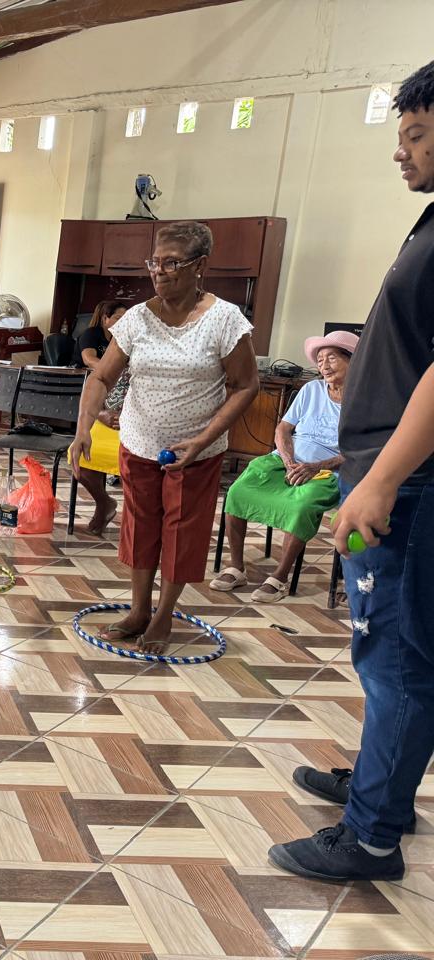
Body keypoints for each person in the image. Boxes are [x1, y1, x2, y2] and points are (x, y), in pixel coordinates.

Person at [269, 61, 434, 883]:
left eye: (417, 134)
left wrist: (380, 480)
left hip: (414, 485)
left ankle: (370, 836)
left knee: (397, 656)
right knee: (394, 652)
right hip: (401, 476)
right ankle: (381, 791)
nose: (400, 152)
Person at [69, 222, 259, 649]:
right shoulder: (137, 318)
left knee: (181, 532)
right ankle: (138, 610)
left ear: (200, 266)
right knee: (140, 527)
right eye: (154, 262)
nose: (158, 271)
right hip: (138, 444)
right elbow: (101, 377)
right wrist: (83, 428)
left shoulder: (225, 319)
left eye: (172, 263)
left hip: (196, 452)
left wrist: (202, 440)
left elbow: (246, 386)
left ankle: (163, 616)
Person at [212, 331, 357, 602]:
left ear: (353, 361)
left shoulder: (364, 401)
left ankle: (279, 577)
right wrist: (289, 461)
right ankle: (236, 567)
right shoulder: (311, 390)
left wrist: (315, 467)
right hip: (285, 461)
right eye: (320, 360)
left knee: (301, 507)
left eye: (332, 358)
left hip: (327, 471)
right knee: (238, 491)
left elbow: (360, 451)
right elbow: (283, 429)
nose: (324, 366)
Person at [74, 300, 130, 534]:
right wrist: (101, 414)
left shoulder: (133, 345)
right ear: (105, 319)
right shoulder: (93, 336)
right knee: (81, 457)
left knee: (138, 465)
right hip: (105, 416)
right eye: (117, 317)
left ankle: (135, 520)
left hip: (133, 422)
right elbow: (91, 364)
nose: (123, 322)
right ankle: (104, 502)